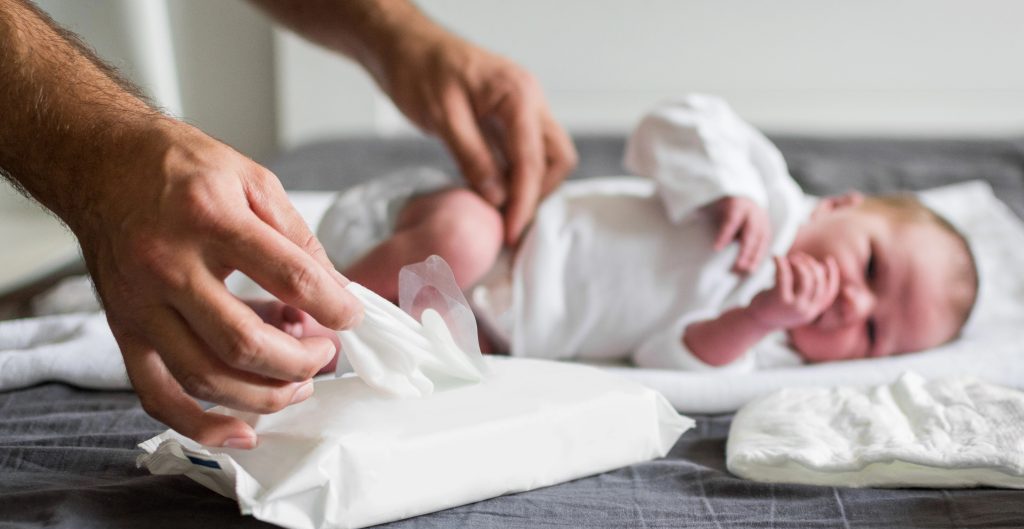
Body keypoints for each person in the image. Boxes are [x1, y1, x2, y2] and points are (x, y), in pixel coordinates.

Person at [0, 0, 576, 448]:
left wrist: (398, 32)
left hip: (514, 310)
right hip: (476, 229)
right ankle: (326, 309)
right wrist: (105, 159)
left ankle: (318, 315)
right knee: (464, 233)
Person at [304, 94, 977, 370]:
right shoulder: (768, 189)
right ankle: (317, 299)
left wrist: (756, 315)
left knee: (418, 367)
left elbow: (667, 358)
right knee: (464, 235)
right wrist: (728, 187)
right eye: (871, 270)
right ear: (839, 206)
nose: (852, 304)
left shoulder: (770, 350)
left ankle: (307, 339)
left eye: (870, 334)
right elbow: (676, 122)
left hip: (493, 334)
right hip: (506, 237)